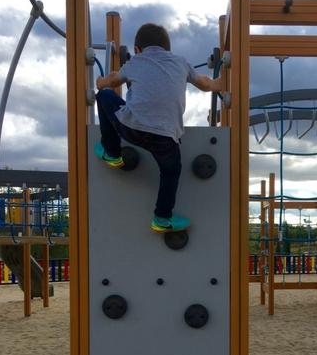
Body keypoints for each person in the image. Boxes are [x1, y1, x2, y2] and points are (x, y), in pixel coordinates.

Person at [95, 22, 222, 233]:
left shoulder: (136, 61)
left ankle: (112, 153)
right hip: (166, 136)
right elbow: (206, 84)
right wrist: (223, 83)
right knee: (171, 171)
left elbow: (112, 81)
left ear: (137, 50)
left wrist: (100, 83)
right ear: (168, 49)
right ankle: (162, 218)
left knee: (105, 97)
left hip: (132, 127)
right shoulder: (181, 63)